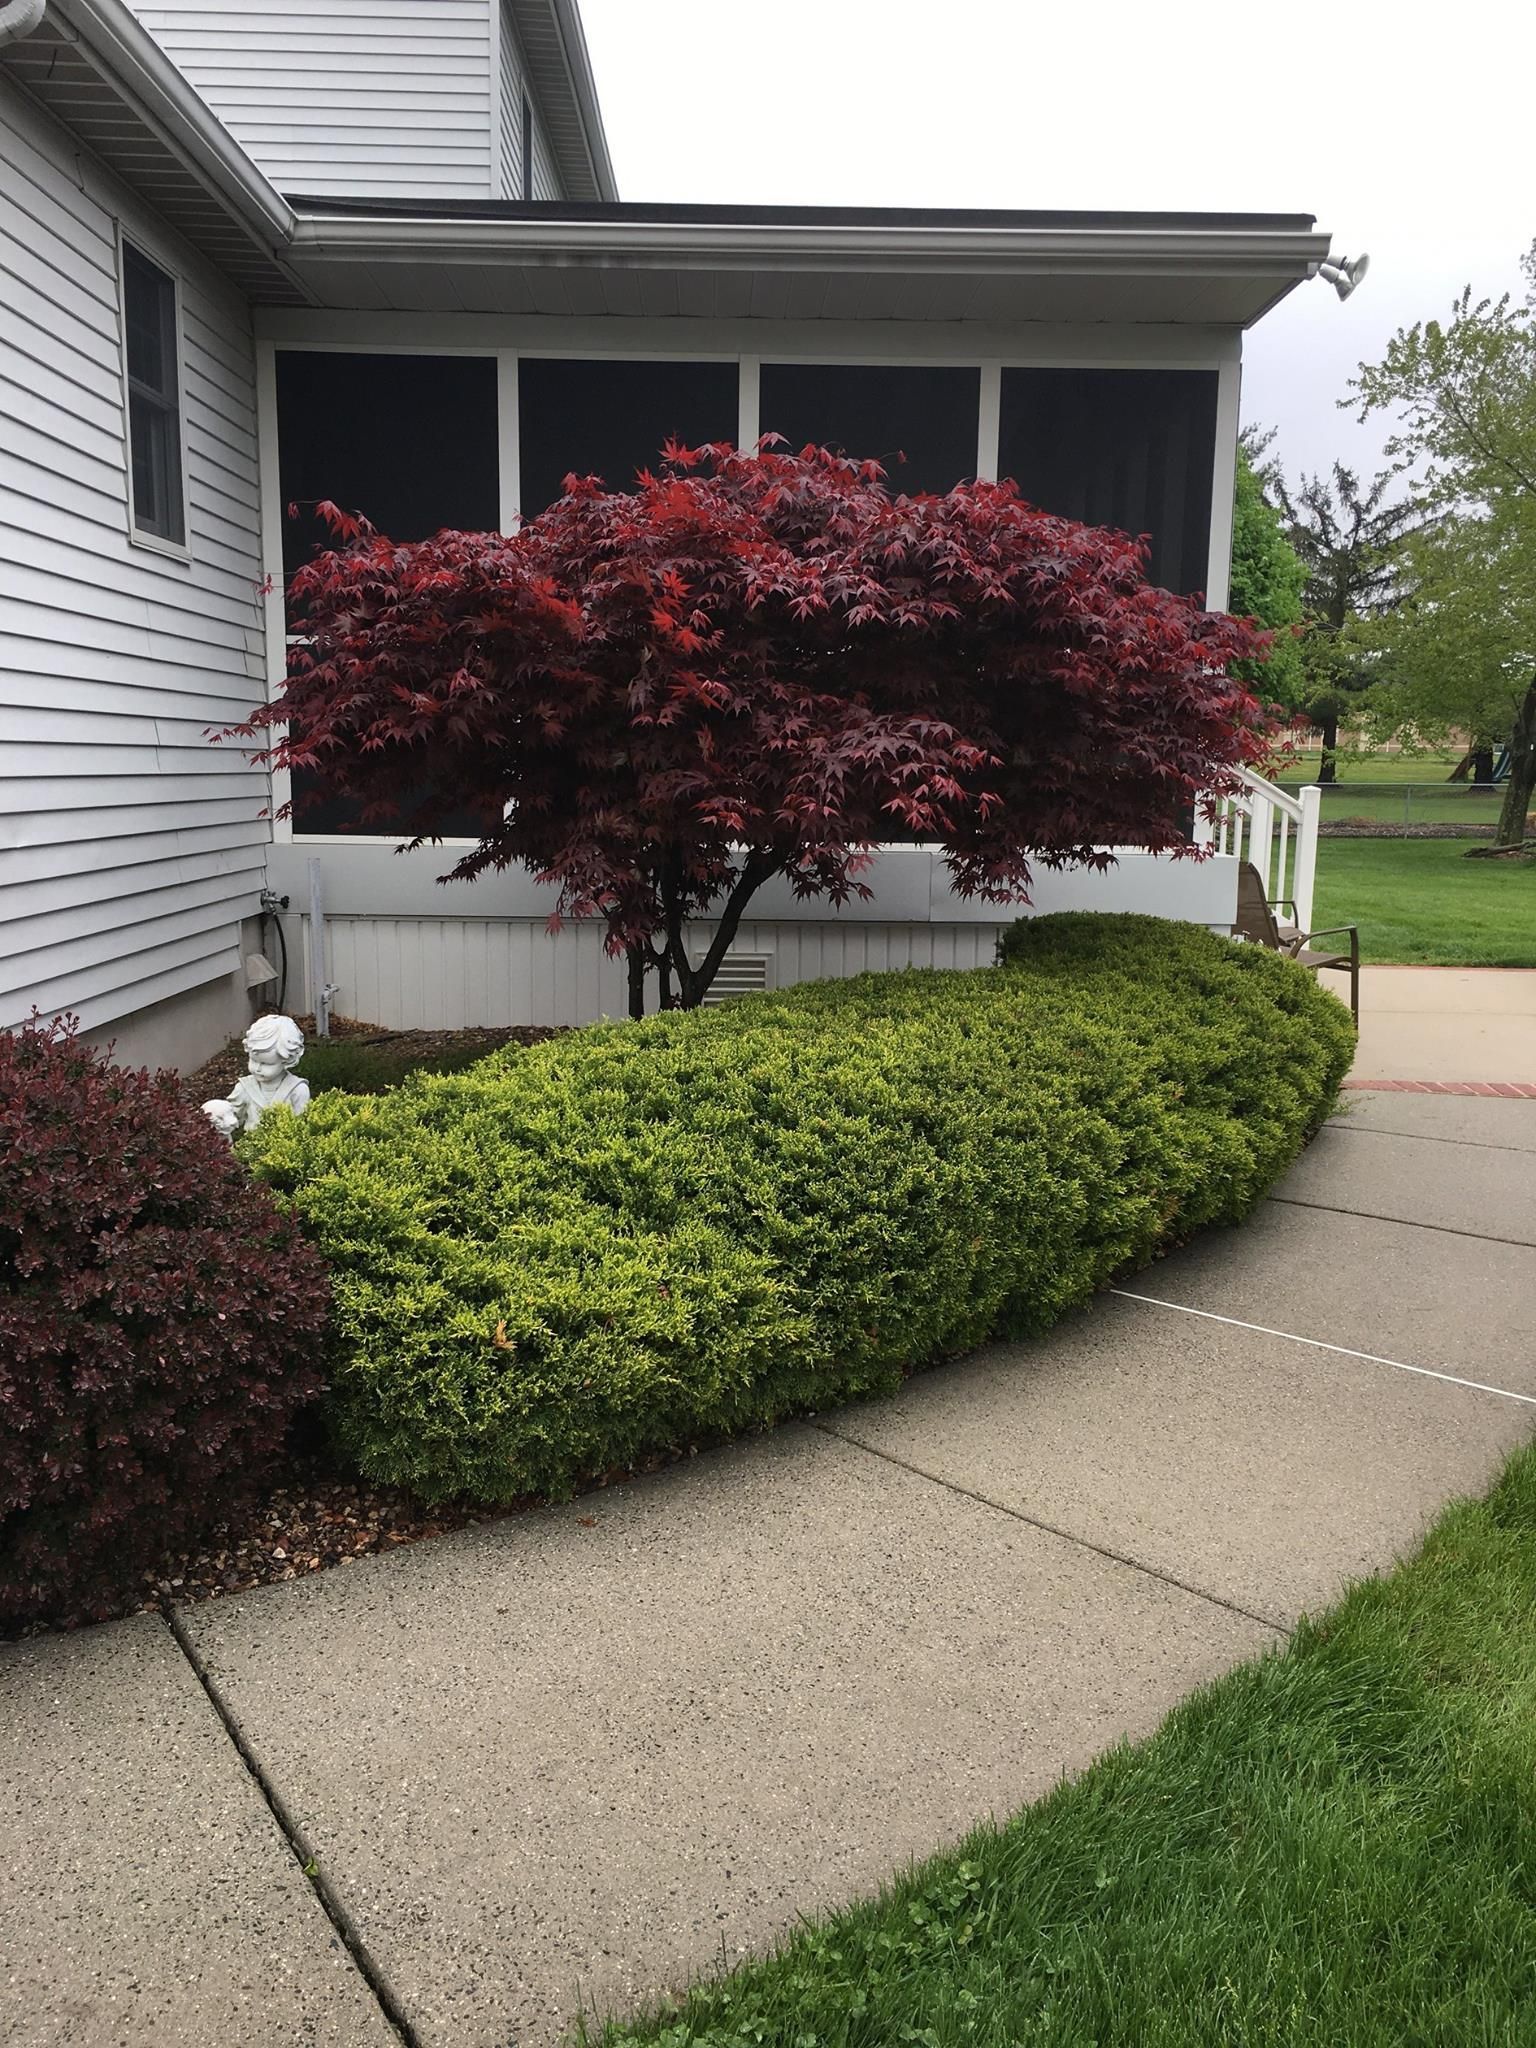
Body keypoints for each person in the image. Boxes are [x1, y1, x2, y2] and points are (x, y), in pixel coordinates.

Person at [202, 1014, 310, 1136]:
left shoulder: (297, 1090)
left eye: (266, 1064)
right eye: (254, 1061)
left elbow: (303, 1126)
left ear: (287, 1061)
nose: (257, 1069)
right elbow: (232, 1118)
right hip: (252, 1149)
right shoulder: (244, 1087)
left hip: (286, 1149)